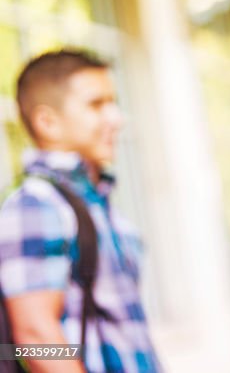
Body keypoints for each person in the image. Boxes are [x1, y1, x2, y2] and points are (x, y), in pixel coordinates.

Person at [0, 50, 161, 373]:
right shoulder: (36, 204)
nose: (116, 118)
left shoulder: (100, 205)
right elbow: (37, 338)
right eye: (96, 104)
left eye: (112, 103)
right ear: (47, 121)